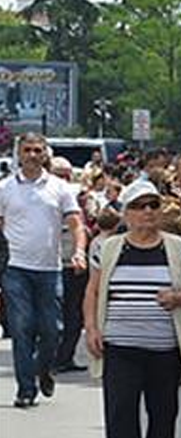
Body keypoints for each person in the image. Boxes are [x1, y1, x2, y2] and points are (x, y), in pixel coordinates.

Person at [83, 179, 181, 438]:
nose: (148, 212)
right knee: (120, 406)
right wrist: (92, 328)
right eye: (140, 206)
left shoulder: (176, 247)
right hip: (120, 343)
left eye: (154, 205)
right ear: (126, 213)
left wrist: (179, 298)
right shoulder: (110, 247)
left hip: (164, 345)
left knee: (163, 408)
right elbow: (93, 291)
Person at [0, 133, 87, 407]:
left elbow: (76, 224)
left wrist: (79, 251)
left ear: (45, 153)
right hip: (15, 267)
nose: (33, 155)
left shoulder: (60, 187)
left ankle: (43, 368)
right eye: (27, 150)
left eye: (38, 150)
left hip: (50, 268)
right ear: (19, 153)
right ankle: (26, 389)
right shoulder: (5, 188)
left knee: (53, 329)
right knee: (22, 326)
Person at [50, 157, 90, 373]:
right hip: (52, 264)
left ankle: (66, 357)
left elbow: (86, 226)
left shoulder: (77, 198)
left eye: (67, 175)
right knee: (54, 316)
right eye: (59, 175)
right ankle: (50, 359)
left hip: (74, 263)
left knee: (74, 315)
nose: (64, 180)